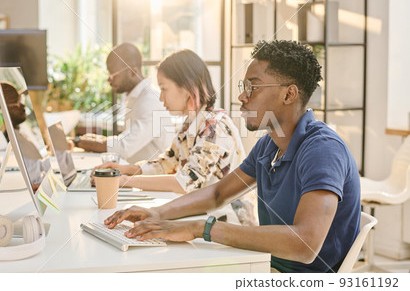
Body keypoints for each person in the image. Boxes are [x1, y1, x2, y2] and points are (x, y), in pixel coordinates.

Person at [102, 40, 361, 273]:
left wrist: (201, 228)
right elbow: (217, 194)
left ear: (289, 94)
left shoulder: (323, 150)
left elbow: (305, 245)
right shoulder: (269, 146)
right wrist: (157, 213)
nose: (241, 96)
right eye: (243, 86)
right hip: (265, 263)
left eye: (253, 87)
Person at [94, 49, 257, 226]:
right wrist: (125, 169)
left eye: (164, 89)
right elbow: (167, 163)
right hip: (202, 219)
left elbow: (184, 182)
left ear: (187, 87)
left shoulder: (214, 127)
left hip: (228, 224)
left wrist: (125, 181)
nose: (161, 97)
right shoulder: (191, 123)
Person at [77, 43, 173, 163]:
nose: (109, 79)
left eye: (113, 74)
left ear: (132, 72)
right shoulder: (136, 98)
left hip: (151, 177)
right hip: (136, 173)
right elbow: (127, 139)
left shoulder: (150, 101)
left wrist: (79, 142)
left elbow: (125, 147)